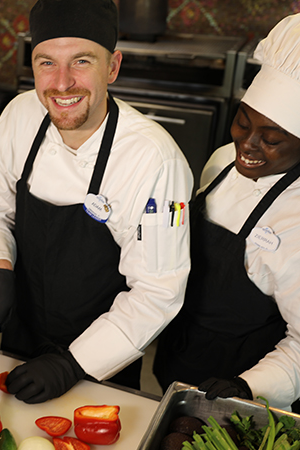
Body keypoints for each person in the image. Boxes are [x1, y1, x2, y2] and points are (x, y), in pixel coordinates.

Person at [0, 0, 193, 404]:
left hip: (102, 359)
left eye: (82, 61)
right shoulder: (19, 115)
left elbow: (158, 290)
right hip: (18, 337)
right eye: (46, 63)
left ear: (113, 67)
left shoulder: (154, 158)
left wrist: (73, 363)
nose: (62, 83)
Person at [154, 13, 300, 411]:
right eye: (242, 122)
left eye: (271, 140)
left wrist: (247, 387)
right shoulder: (220, 163)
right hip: (175, 360)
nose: (247, 145)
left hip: (238, 389)